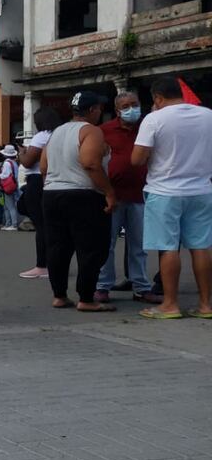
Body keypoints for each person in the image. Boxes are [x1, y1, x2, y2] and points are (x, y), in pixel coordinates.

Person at [131, 77, 212, 319]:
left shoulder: (154, 119)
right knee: (201, 246)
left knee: (168, 248)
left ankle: (170, 304)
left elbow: (137, 159)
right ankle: (206, 305)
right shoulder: (208, 115)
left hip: (164, 191)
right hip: (201, 190)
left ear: (157, 98)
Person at [41, 91, 116, 312]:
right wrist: (109, 192)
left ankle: (59, 295)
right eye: (99, 109)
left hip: (52, 193)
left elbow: (44, 167)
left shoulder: (56, 132)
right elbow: (91, 163)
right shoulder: (91, 131)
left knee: (57, 247)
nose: (100, 113)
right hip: (83, 195)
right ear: (92, 110)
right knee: (92, 248)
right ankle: (86, 298)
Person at [96, 91, 158, 305]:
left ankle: (141, 286)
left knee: (139, 245)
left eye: (135, 104)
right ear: (118, 110)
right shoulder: (104, 131)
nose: (132, 109)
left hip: (141, 195)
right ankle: (102, 286)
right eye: (126, 106)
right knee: (106, 244)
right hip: (112, 196)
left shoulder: (147, 127)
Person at [18, 106, 62, 279]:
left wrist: (21, 153)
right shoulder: (60, 135)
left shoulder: (41, 136)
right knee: (53, 225)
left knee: (41, 225)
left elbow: (28, 162)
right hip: (55, 180)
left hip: (36, 181)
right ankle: (56, 262)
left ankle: (42, 265)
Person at [0, 145, 20, 231]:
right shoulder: (14, 162)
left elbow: (5, 175)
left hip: (7, 186)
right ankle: (8, 223)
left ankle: (13, 224)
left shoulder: (7, 163)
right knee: (8, 206)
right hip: (13, 185)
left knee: (9, 206)